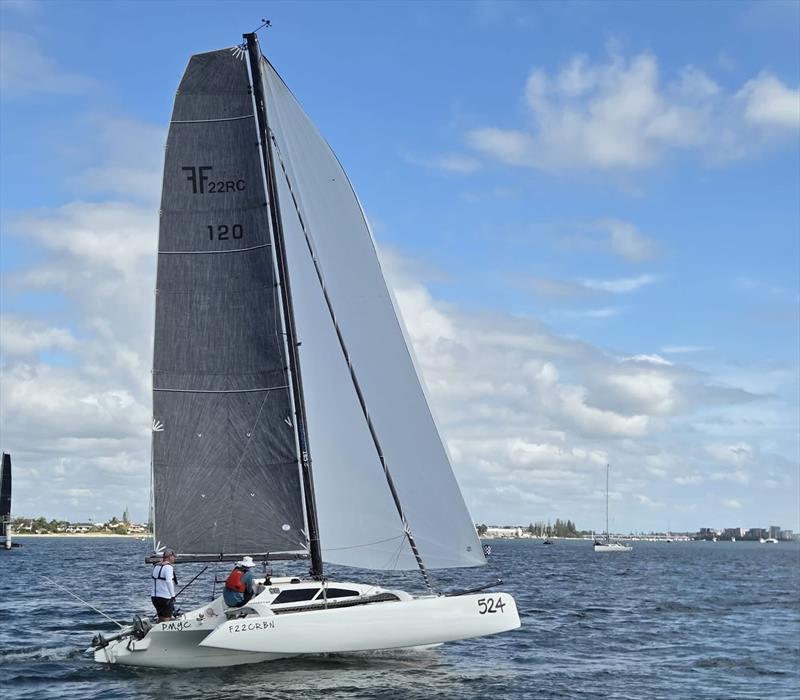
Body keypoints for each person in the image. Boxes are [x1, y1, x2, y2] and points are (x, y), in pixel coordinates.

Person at [151, 548, 177, 621]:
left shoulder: (156, 566)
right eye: (174, 557)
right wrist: (173, 596)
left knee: (161, 618)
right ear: (170, 557)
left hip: (154, 598)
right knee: (166, 620)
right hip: (165, 598)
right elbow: (169, 582)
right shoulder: (168, 567)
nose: (174, 558)